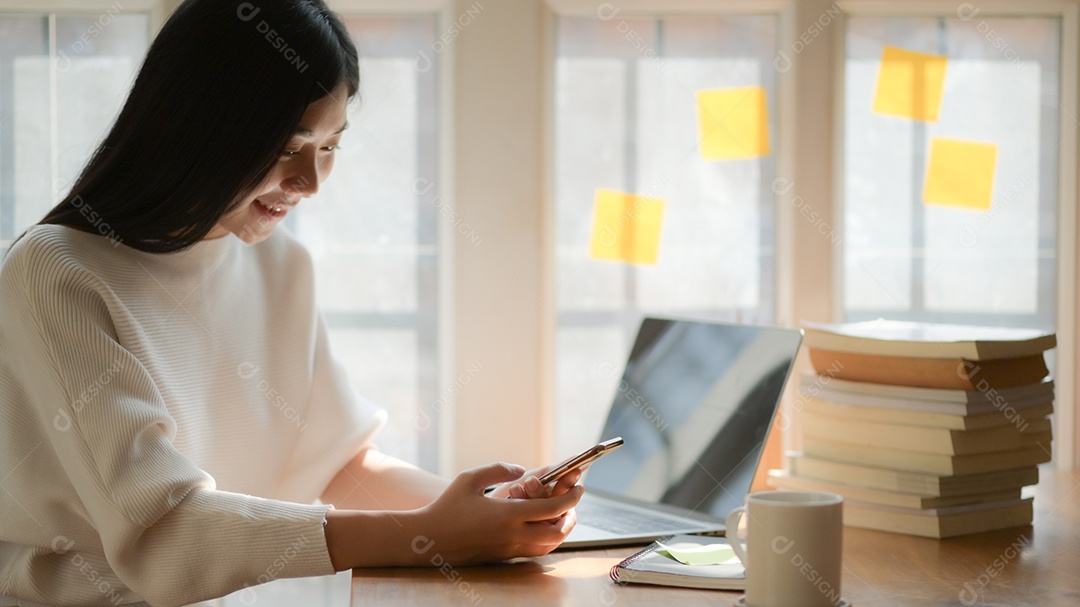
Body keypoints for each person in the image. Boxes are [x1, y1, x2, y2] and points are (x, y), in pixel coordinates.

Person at [0, 1, 582, 605]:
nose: (311, 182)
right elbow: (163, 529)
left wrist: (492, 514)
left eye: (330, 146)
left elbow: (336, 465)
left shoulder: (280, 264)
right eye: (288, 146)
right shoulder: (58, 273)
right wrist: (426, 535)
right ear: (197, 126)